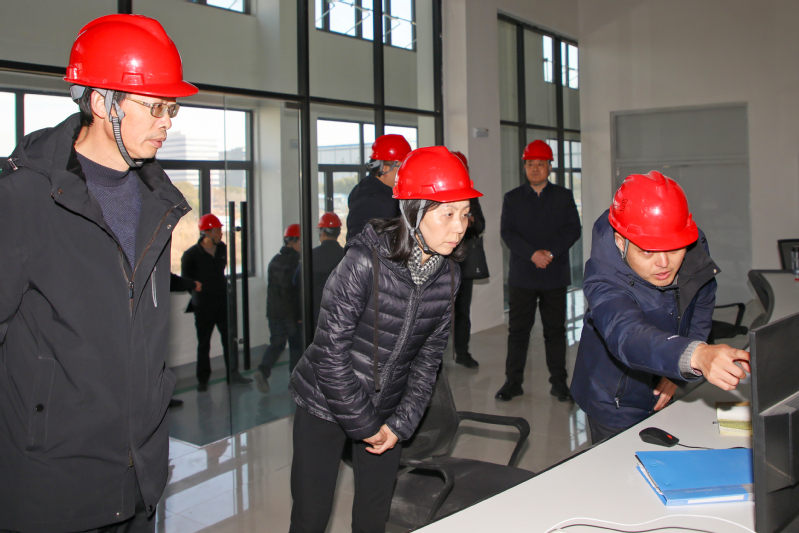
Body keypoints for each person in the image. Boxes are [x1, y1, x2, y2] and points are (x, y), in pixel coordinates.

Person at [0, 14, 197, 532]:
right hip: (53, 484)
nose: (167, 122)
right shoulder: (24, 198)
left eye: (172, 108)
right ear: (102, 102)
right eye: (155, 106)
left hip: (138, 477)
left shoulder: (157, 202)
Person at [288, 146, 482, 533]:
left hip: (387, 409)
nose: (460, 227)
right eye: (447, 214)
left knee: (374, 516)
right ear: (413, 212)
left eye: (465, 213)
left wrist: (399, 425)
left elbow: (428, 362)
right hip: (325, 401)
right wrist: (364, 423)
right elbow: (329, 354)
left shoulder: (448, 275)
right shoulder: (363, 262)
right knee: (311, 514)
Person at [571, 171, 750, 444]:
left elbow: (702, 300)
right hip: (614, 397)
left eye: (674, 249)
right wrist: (695, 355)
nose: (664, 263)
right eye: (648, 251)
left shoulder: (688, 241)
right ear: (621, 241)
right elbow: (628, 334)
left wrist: (679, 370)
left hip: (669, 368)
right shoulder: (602, 278)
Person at [496, 140, 581, 402]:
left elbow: (573, 229)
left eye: (540, 164)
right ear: (524, 167)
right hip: (523, 276)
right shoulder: (512, 198)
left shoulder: (563, 196)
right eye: (530, 164)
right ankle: (513, 382)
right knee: (518, 332)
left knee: (555, 332)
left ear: (549, 167)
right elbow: (508, 233)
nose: (535, 169)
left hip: (554, 275)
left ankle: (559, 383)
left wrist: (550, 253)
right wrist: (533, 254)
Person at [181, 213, 252, 391]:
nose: (221, 233)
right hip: (203, 306)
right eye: (218, 230)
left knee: (230, 340)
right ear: (207, 233)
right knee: (204, 343)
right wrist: (200, 293)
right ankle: (203, 380)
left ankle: (233, 374)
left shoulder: (222, 248)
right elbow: (186, 281)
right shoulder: (190, 255)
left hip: (223, 303)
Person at [253, 224, 303, 394]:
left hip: (274, 312)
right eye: (300, 241)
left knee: (277, 343)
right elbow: (293, 292)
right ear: (292, 241)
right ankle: (296, 380)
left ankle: (263, 370)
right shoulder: (295, 262)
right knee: (296, 345)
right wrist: (298, 315)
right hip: (290, 313)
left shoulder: (274, 260)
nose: (301, 245)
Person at [450, 151, 486, 368]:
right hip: (441, 263)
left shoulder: (471, 196)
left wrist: (469, 221)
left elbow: (481, 225)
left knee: (463, 310)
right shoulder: (439, 195)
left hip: (464, 262)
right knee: (437, 311)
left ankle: (462, 352)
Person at [346, 133, 412, 241]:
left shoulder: (365, 189)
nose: (406, 172)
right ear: (385, 169)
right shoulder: (372, 202)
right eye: (402, 167)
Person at [307, 212, 347, 328]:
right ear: (338, 232)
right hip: (339, 313)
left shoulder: (311, 255)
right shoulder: (346, 256)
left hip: (315, 313)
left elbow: (297, 281)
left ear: (322, 233)